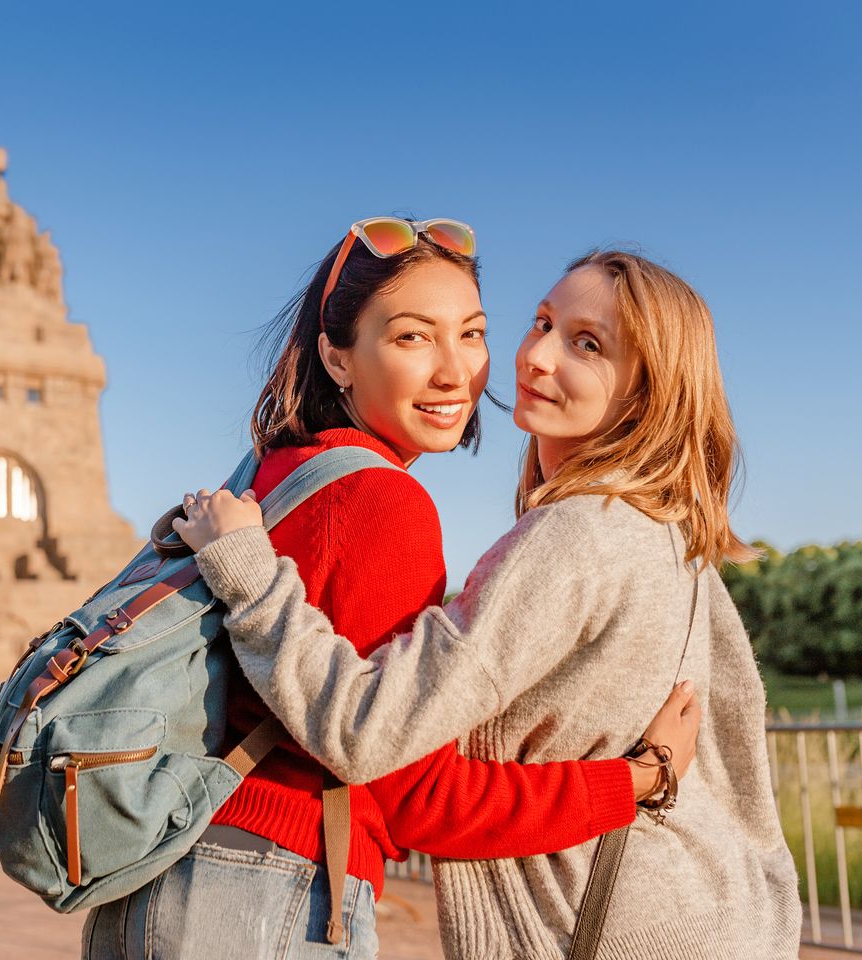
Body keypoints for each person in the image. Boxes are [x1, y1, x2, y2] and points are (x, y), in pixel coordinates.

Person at [82, 224, 701, 960]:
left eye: (470, 334)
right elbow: (420, 798)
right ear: (336, 356)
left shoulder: (277, 474)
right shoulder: (381, 502)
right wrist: (631, 782)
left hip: (170, 876)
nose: (455, 372)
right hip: (266, 891)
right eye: (412, 338)